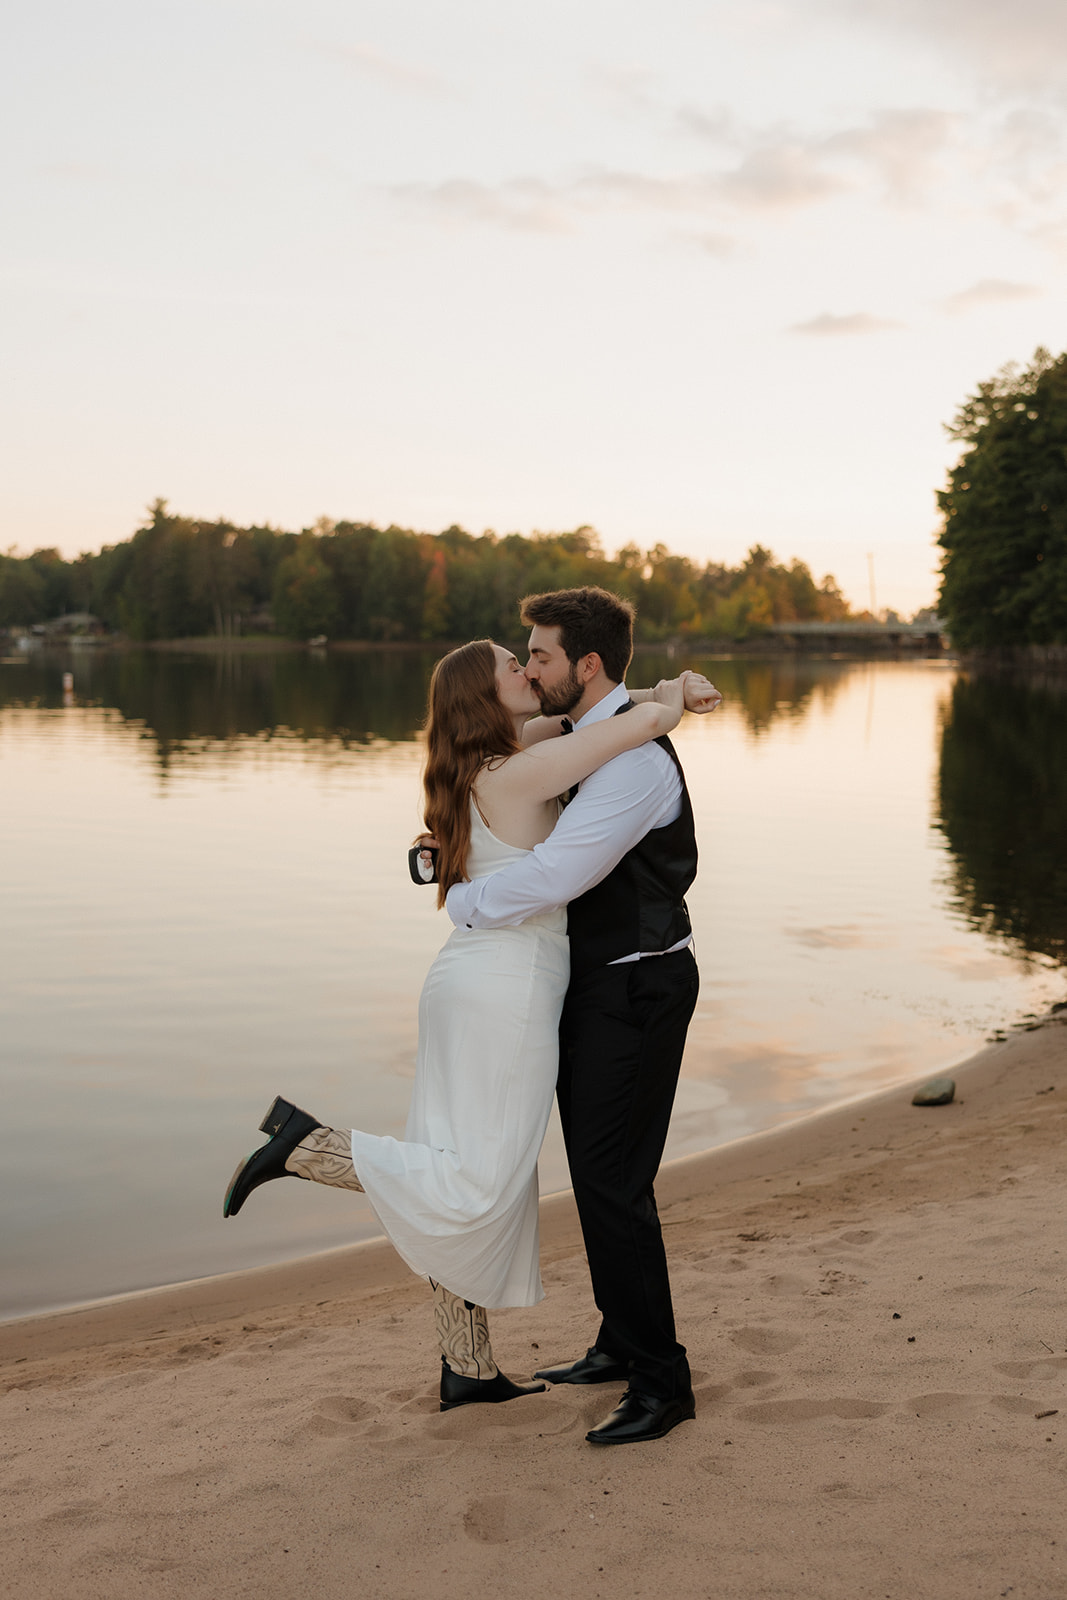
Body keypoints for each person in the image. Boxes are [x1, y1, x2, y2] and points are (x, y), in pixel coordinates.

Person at [222, 638, 699, 1414]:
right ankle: (309, 1149)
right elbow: (637, 724)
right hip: (506, 988)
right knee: (479, 1180)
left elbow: (602, 711)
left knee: (459, 1163)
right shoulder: (523, 770)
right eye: (515, 666)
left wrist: (664, 684)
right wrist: (675, 697)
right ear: (487, 696)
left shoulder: (496, 758)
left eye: (532, 658)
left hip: (464, 979)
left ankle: (467, 1367)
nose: (527, 671)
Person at [445, 587, 720, 1446]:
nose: (529, 667)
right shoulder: (592, 735)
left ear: (585, 665)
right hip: (593, 988)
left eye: (541, 656)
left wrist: (462, 903)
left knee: (612, 1184)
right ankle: (616, 1341)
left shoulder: (633, 764)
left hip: (637, 987)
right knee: (599, 1178)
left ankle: (661, 1379)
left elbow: (558, 874)